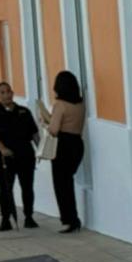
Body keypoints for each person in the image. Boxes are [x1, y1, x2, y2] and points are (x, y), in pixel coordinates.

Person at [0, 81, 40, 232]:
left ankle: (29, 217)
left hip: (25, 155)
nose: (6, 95)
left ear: (12, 93)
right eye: (2, 92)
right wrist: (2, 148)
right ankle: (5, 219)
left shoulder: (24, 112)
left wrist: (41, 150)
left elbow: (34, 133)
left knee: (27, 187)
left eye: (8, 91)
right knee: (5, 189)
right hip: (5, 158)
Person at [38, 70, 87, 233]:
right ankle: (73, 219)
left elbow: (54, 129)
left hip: (63, 146)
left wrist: (44, 122)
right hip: (77, 144)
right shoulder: (80, 104)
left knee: (61, 185)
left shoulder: (60, 105)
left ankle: (69, 220)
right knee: (68, 181)